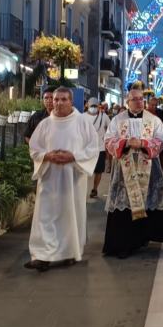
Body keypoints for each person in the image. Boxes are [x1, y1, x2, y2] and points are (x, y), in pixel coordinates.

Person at [26, 88, 99, 271]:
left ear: (71, 101)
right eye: (56, 99)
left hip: (72, 177)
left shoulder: (82, 122)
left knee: (69, 214)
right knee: (45, 215)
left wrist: (74, 157)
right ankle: (42, 255)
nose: (58, 103)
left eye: (63, 99)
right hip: (49, 176)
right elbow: (34, 148)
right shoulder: (45, 124)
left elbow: (93, 148)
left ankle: (70, 252)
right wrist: (47, 156)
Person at [102, 88, 163, 259]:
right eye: (134, 99)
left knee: (146, 201)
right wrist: (124, 143)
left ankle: (142, 238)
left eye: (141, 99)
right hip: (124, 169)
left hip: (148, 167)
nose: (138, 102)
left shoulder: (154, 120)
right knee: (125, 204)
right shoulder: (118, 120)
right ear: (127, 101)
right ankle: (124, 243)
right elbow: (108, 140)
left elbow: (161, 140)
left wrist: (143, 143)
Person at [84, 97, 111, 199]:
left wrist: (107, 138)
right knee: (84, 170)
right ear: (87, 105)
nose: (93, 108)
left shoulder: (104, 116)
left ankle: (95, 189)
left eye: (95, 106)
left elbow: (111, 128)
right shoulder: (82, 117)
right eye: (92, 106)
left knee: (98, 171)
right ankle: (82, 189)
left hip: (100, 148)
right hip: (85, 149)